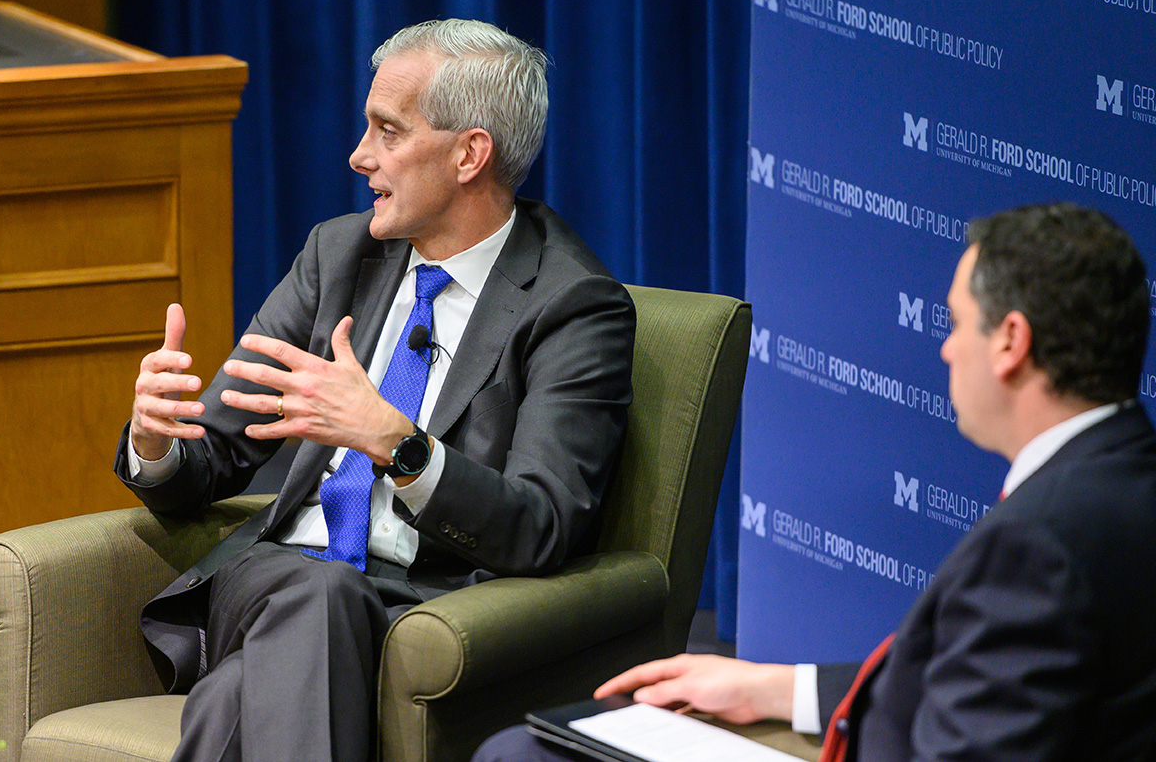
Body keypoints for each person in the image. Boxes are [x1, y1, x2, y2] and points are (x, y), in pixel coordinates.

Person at [116, 18, 635, 762]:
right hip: (273, 582)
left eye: (388, 132)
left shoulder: (572, 306)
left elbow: (541, 523)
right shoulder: (339, 255)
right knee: (317, 594)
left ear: (469, 153)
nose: (361, 157)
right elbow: (213, 458)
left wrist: (395, 443)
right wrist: (157, 441)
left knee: (232, 704)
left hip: (425, 608)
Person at [474, 202, 1156, 762]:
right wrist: (779, 689)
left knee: (519, 756)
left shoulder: (1041, 543)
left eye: (954, 324)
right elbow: (979, 687)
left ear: (1011, 341)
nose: (946, 348)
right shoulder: (1121, 480)